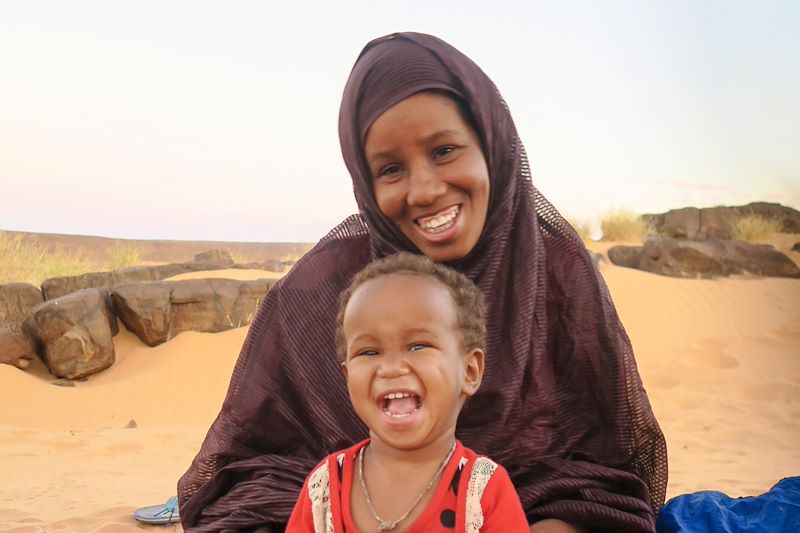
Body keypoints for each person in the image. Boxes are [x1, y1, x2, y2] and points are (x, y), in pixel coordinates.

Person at [176, 32, 667, 532]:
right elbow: (243, 479)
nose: (425, 190)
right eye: (390, 169)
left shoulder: (559, 275)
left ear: (491, 143)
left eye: (445, 150)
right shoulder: (320, 290)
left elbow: (607, 478)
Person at [287, 252, 529, 532]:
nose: (390, 368)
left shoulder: (482, 493)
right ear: (347, 376)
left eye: (417, 346)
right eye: (369, 351)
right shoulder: (325, 490)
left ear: (469, 371)